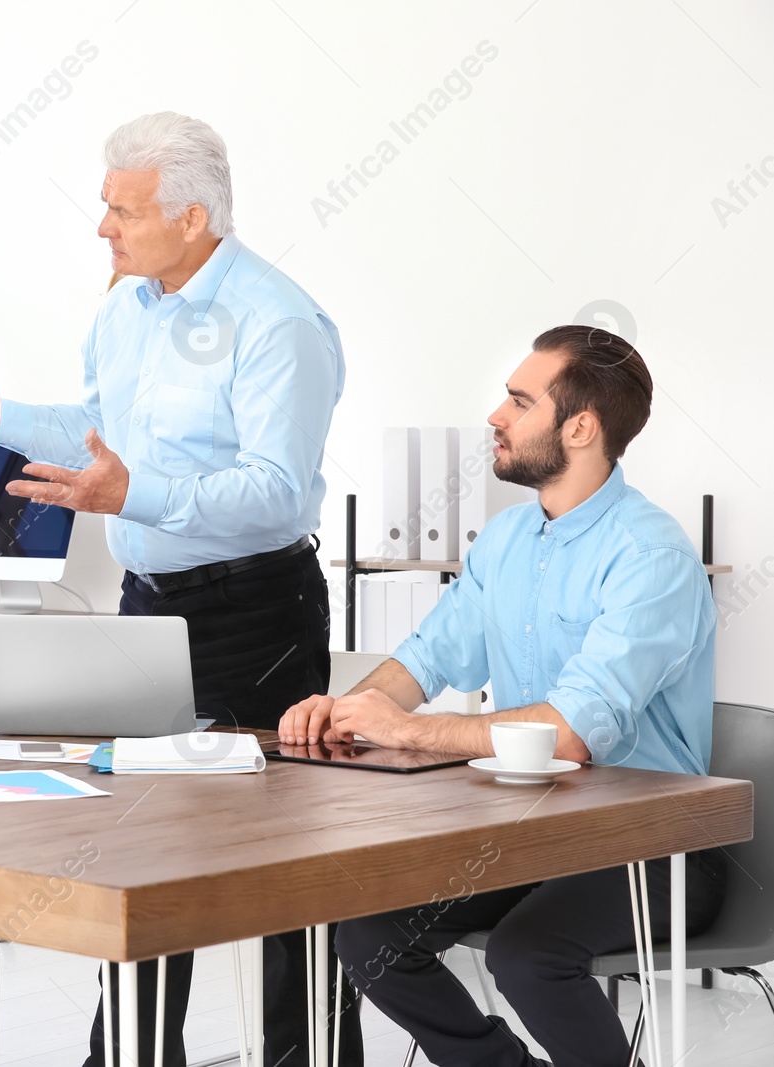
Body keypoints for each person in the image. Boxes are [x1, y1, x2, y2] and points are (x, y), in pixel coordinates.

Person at [0, 111, 357, 1067]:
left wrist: (136, 490)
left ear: (192, 218)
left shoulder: (280, 321)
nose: (103, 228)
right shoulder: (124, 309)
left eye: (122, 210)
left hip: (257, 605)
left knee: (284, 874)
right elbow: (98, 430)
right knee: (137, 849)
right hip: (148, 605)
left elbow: (275, 485)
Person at [280, 326, 727, 1067]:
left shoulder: (651, 556)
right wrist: (349, 708)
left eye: (520, 401)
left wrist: (415, 732)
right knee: (365, 932)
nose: (496, 415)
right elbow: (424, 658)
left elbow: (573, 732)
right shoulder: (506, 539)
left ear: (580, 427)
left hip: (654, 844)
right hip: (531, 834)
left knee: (525, 955)